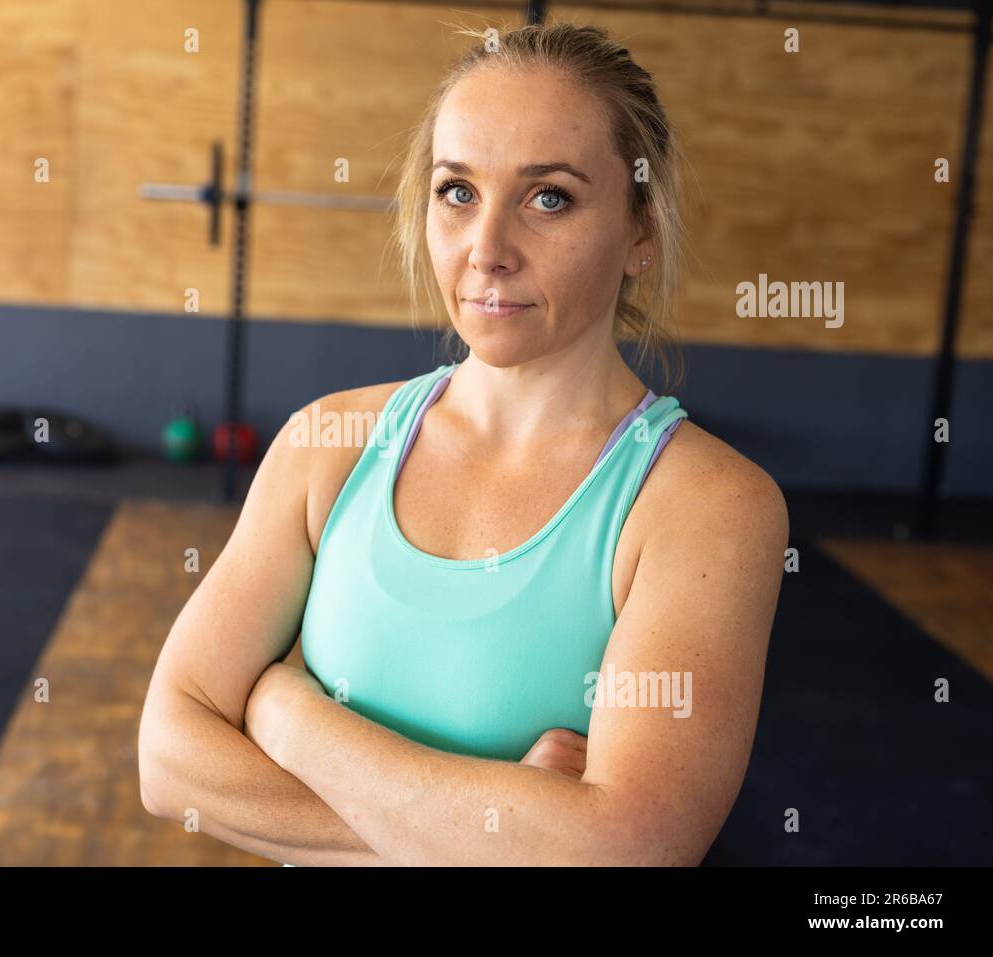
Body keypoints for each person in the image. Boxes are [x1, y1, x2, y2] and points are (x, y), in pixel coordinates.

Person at [138, 20, 787, 866]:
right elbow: (166, 760)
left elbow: (626, 850)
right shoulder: (329, 445)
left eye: (548, 196)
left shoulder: (707, 507)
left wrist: (289, 717)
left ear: (641, 231)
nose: (488, 251)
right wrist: (493, 835)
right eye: (457, 191)